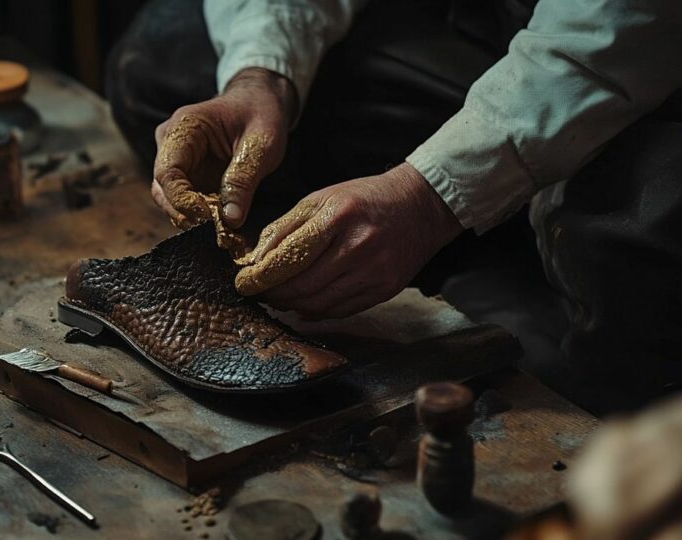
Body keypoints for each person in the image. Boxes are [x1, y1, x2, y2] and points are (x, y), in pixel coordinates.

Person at [105, 0, 682, 414]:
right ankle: (458, 246)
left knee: (628, 236)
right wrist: (260, 79)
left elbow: (608, 41)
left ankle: (479, 248)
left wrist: (430, 196)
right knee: (160, 61)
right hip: (475, 25)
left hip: (636, 61)